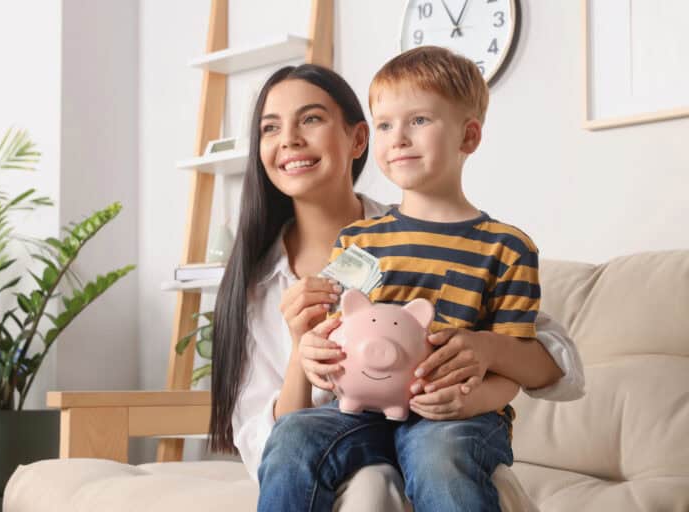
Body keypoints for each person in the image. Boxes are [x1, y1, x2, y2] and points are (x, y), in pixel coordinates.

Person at [210, 62, 585, 511]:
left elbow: (529, 353)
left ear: (357, 139)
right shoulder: (359, 245)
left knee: (439, 454)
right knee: (298, 437)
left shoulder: (505, 248)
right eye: (389, 123)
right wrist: (307, 353)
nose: (401, 137)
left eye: (310, 118)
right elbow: (334, 337)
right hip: (360, 415)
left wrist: (472, 393)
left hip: (450, 420)